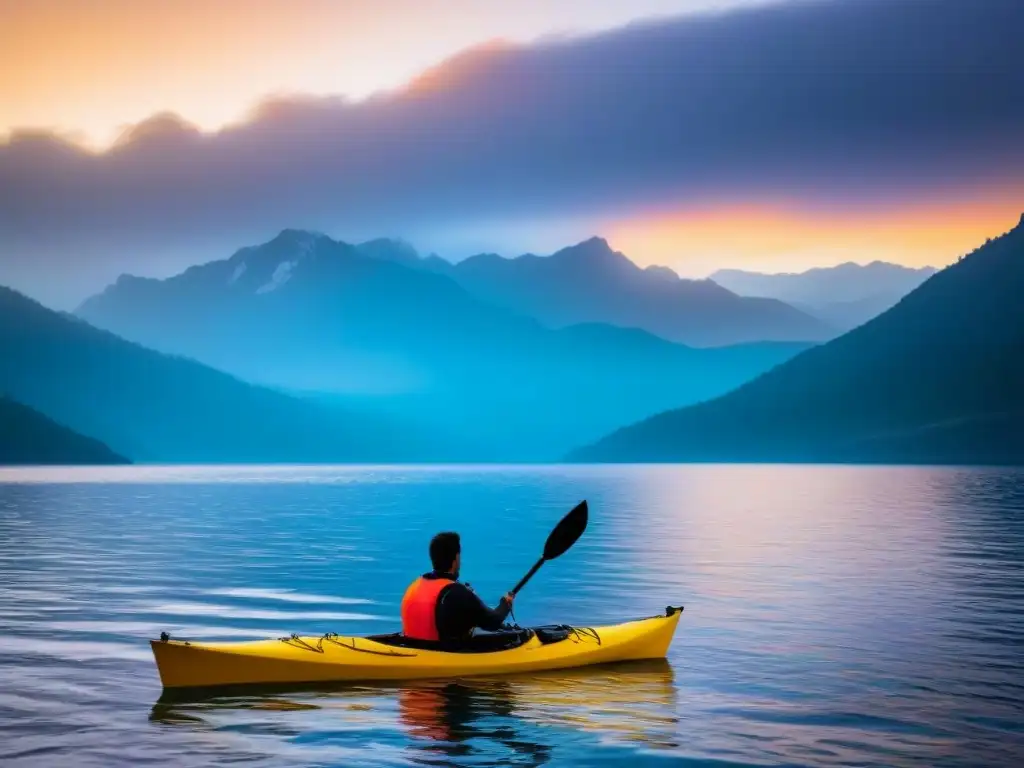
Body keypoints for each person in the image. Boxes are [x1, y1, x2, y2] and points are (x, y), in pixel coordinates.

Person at [401, 531, 514, 643]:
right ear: (456, 558)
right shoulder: (457, 593)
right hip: (440, 655)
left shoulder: (415, 585)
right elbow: (493, 622)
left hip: (410, 647)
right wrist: (505, 603)